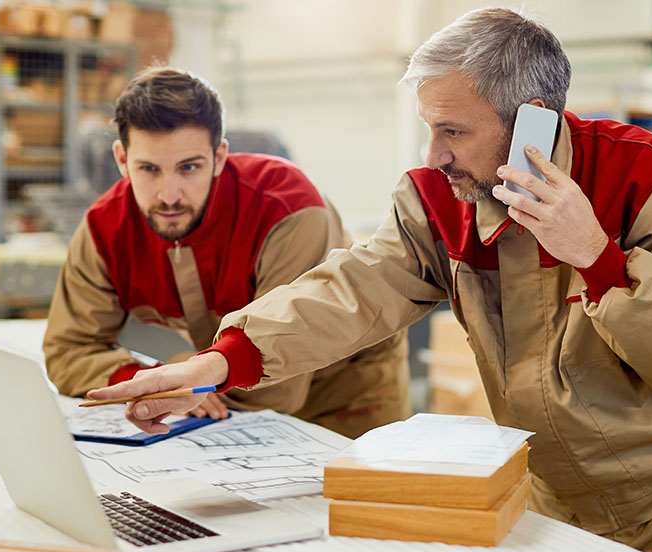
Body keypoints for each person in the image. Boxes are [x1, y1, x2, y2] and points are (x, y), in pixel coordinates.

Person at [89, 10, 652, 552]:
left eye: (452, 131)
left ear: (531, 123)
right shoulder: (441, 199)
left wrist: (595, 256)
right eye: (429, 127)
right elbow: (354, 289)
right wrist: (224, 359)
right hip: (551, 490)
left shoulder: (640, 174)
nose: (432, 153)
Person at [43, 67, 409, 439]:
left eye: (189, 167)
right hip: (219, 389)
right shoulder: (105, 228)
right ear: (122, 159)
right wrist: (150, 382)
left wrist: (189, 379)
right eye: (149, 169)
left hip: (344, 391)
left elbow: (278, 388)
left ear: (219, 156)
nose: (169, 195)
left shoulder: (289, 210)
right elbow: (67, 350)